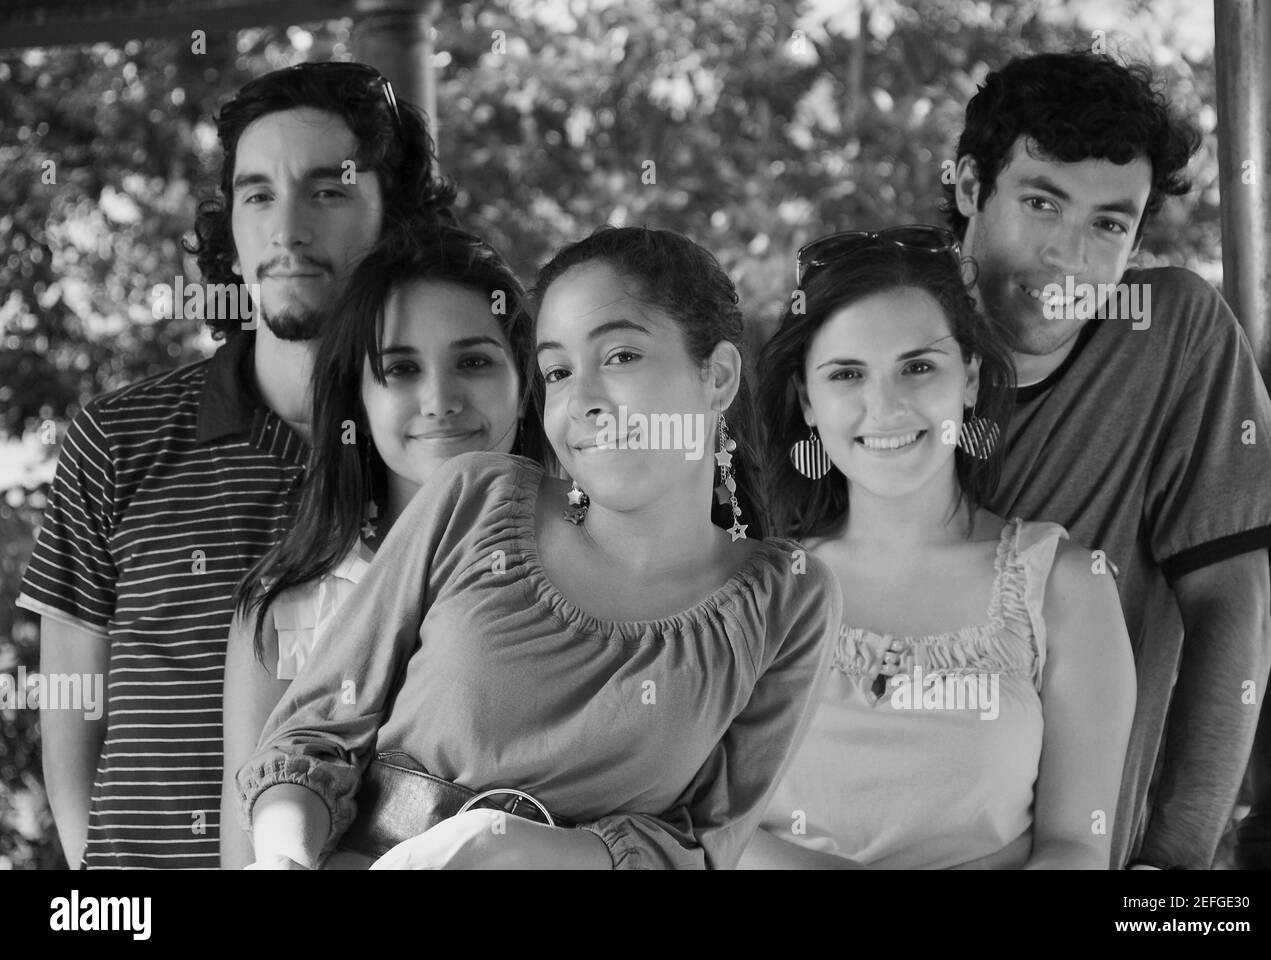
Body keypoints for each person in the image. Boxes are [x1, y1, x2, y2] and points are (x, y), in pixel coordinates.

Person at [234, 226, 840, 869]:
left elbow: (709, 846)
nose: (581, 401)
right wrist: (284, 858)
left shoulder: (789, 599)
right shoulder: (473, 497)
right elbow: (313, 736)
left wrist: (527, 848)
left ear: (717, 376)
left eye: (620, 357)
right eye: (557, 371)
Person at [16, 60, 453, 869]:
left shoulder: (442, 448)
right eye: (257, 195)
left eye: (327, 190)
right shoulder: (116, 440)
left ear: (397, 216)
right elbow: (72, 707)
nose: (286, 228)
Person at [944, 50, 1271, 869]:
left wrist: (1170, 869)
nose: (1069, 257)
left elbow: (1233, 612)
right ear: (969, 188)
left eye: (1108, 223)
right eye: (1041, 202)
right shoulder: (871, 336)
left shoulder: (1170, 331)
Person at [741, 227, 1134, 868]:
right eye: (846, 374)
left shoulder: (1066, 585)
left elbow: (1077, 846)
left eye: (918, 367)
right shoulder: (759, 594)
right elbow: (714, 836)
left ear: (970, 378)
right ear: (808, 402)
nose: (886, 406)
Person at [219, 223, 547, 868]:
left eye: (474, 361)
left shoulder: (603, 572)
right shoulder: (286, 608)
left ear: (524, 380)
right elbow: (249, 853)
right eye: (400, 369)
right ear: (357, 400)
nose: (440, 400)